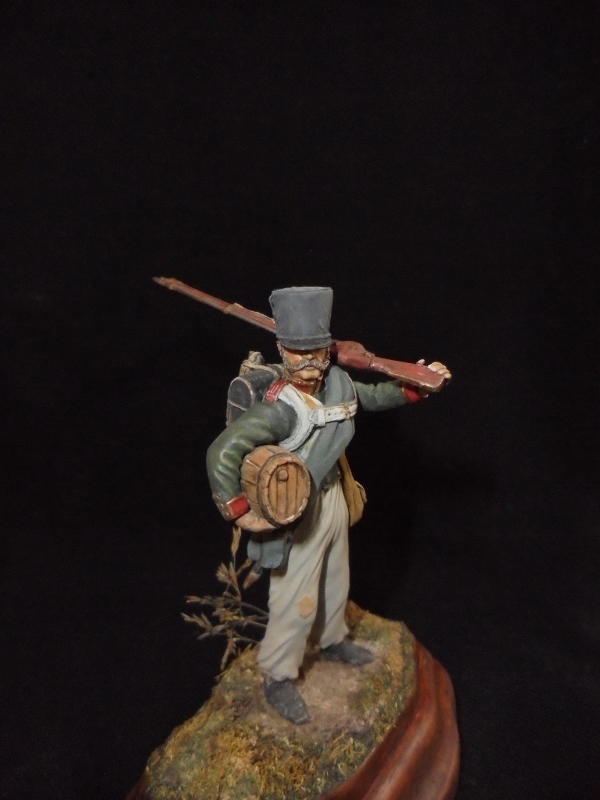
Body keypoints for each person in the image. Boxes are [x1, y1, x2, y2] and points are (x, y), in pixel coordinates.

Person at [207, 286, 451, 724]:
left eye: (316, 352)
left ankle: (332, 637)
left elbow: (373, 397)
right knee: (295, 596)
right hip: (296, 511)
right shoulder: (278, 409)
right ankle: (279, 673)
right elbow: (222, 452)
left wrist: (418, 384)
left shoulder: (338, 382)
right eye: (297, 353)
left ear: (328, 349)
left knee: (336, 575)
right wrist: (241, 510)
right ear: (282, 351)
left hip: (334, 494)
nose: (308, 362)